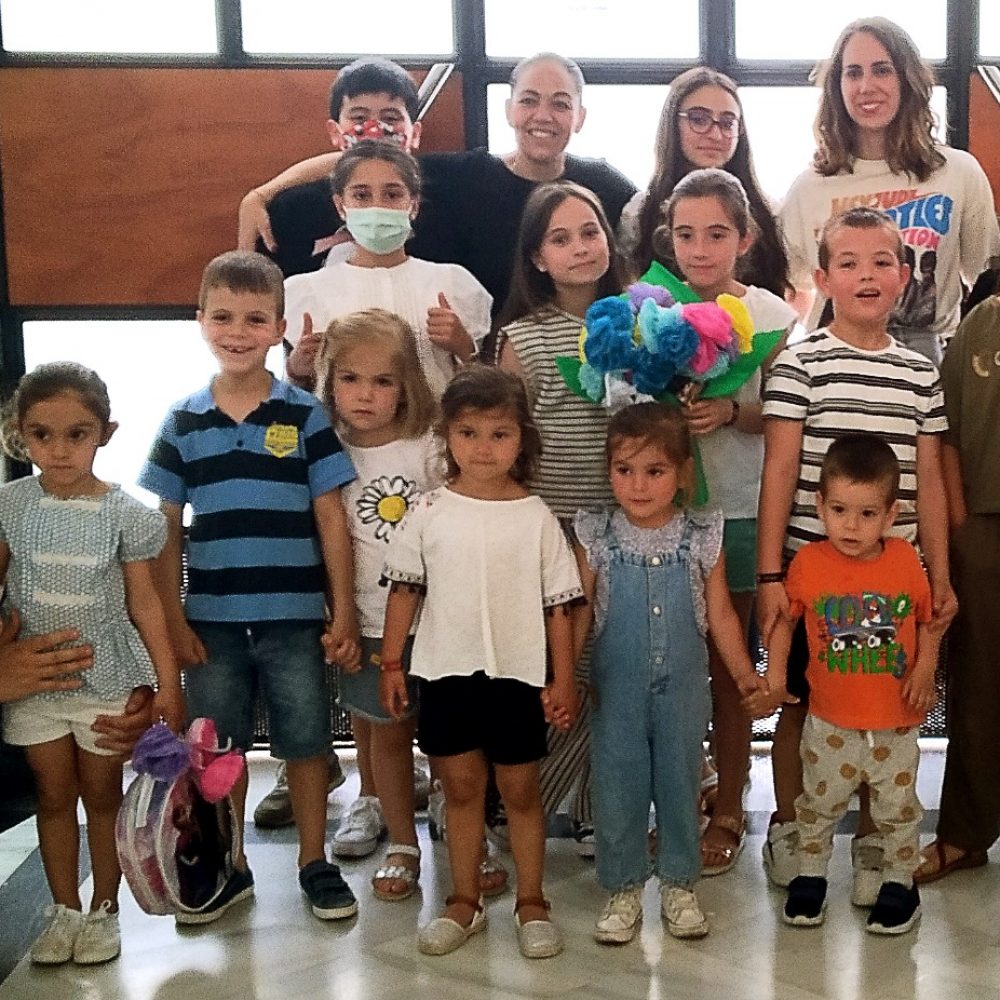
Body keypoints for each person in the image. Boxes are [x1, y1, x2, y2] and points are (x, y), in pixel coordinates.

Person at [139, 250, 360, 925]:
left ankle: (313, 861)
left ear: (280, 328)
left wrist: (342, 610)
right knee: (218, 748)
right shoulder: (184, 421)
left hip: (295, 615)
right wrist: (173, 621)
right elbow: (166, 528)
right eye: (224, 316)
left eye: (255, 319)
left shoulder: (304, 415)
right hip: (211, 621)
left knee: (306, 740)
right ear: (200, 321)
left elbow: (331, 517)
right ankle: (230, 864)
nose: (238, 330)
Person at [756, 207, 954, 901]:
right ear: (823, 277)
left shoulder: (919, 373)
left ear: (903, 275)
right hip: (812, 579)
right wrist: (771, 573)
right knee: (803, 706)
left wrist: (941, 575)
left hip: (895, 585)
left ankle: (877, 843)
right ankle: (791, 830)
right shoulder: (799, 363)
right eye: (849, 262)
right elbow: (779, 470)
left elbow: (928, 478)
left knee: (887, 712)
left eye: (881, 262)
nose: (866, 275)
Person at [379, 366, 581, 959]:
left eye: (499, 434)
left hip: (518, 676)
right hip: (446, 672)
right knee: (461, 787)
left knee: (520, 790)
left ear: (522, 439)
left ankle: (532, 902)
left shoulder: (538, 517)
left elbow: (559, 608)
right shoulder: (430, 510)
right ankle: (463, 901)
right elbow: (405, 590)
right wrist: (393, 664)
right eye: (469, 433)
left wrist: (562, 678)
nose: (484, 448)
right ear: (447, 438)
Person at [0, 362, 184, 966]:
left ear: (105, 432)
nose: (57, 450)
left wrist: (167, 682)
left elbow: (146, 603)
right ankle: (63, 910)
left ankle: (105, 909)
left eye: (76, 434)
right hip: (31, 684)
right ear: (19, 434)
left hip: (103, 676)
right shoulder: (10, 507)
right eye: (41, 435)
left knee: (102, 798)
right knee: (53, 797)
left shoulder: (124, 513)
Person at [237, 53, 636, 318]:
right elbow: (373, 163)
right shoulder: (464, 174)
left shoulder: (605, 186)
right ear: (509, 109)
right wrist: (263, 193)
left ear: (580, 116)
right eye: (529, 100)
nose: (543, 116)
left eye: (561, 103)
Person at [573, 402, 766, 944]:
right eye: (624, 470)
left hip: (684, 691)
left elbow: (723, 614)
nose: (637, 485)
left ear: (683, 474)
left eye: (654, 471)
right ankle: (623, 887)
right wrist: (563, 673)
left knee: (681, 783)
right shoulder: (597, 535)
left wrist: (745, 673)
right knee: (619, 785)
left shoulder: (703, 534)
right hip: (616, 691)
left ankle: (680, 884)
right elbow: (580, 610)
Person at [654, 168, 797, 875]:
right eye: (686, 235)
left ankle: (732, 802)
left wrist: (731, 412)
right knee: (676, 666)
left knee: (727, 662)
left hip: (743, 513)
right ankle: (684, 795)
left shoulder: (772, 317)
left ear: (745, 238)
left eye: (716, 234)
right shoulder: (652, 309)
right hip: (669, 517)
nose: (700, 249)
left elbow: (792, 415)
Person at [748, 434, 940, 935]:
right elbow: (785, 622)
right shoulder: (809, 565)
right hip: (829, 717)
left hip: (895, 720)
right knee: (818, 803)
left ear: (891, 513)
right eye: (839, 510)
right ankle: (811, 878)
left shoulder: (904, 562)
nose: (852, 526)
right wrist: (773, 677)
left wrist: (924, 671)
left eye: (867, 513)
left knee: (897, 811)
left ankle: (899, 882)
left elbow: (928, 622)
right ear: (820, 506)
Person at [495, 179, 624, 855]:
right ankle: (534, 808)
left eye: (591, 231)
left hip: (623, 533)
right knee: (554, 673)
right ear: (537, 257)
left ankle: (602, 803)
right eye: (561, 237)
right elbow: (508, 447)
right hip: (549, 536)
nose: (580, 248)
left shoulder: (639, 322)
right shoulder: (524, 337)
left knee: (608, 671)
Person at [779, 16, 1000, 365]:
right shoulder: (809, 188)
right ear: (837, 86)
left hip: (932, 368)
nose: (866, 86)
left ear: (907, 79)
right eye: (853, 73)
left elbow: (987, 278)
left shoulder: (958, 172)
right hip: (836, 373)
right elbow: (787, 291)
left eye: (882, 70)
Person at [312, 308, 440, 898]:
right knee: (387, 732)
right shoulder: (325, 451)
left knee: (444, 731)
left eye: (383, 381)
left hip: (438, 622)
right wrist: (336, 615)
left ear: (406, 385)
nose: (365, 395)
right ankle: (402, 841)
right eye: (351, 379)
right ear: (329, 382)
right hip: (364, 619)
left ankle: (457, 821)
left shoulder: (428, 448)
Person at [913, 270, 1000, 883]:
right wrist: (964, 529)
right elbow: (944, 440)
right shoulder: (983, 323)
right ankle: (965, 834)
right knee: (977, 692)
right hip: (987, 528)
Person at [283, 141, 490, 395]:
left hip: (434, 432)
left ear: (413, 204)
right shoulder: (307, 290)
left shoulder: (450, 282)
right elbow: (294, 393)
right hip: (341, 434)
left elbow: (481, 386)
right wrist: (296, 368)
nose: (377, 206)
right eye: (361, 195)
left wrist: (463, 346)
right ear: (340, 206)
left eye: (392, 195)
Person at [238, 56, 423, 275]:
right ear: (335, 132)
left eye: (391, 118)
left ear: (416, 133)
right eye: (359, 118)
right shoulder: (294, 210)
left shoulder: (449, 191)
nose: (374, 129)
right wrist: (258, 196)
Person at [618, 65, 790, 298]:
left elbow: (786, 294)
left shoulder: (767, 211)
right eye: (699, 119)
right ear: (673, 123)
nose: (715, 134)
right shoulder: (640, 212)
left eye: (728, 122)